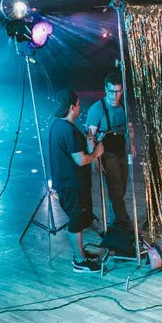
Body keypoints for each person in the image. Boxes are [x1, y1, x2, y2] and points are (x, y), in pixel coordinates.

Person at [47, 90, 105, 273]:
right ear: (72, 107)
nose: (80, 106)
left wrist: (88, 144)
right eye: (78, 103)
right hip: (72, 184)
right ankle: (79, 260)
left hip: (67, 182)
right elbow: (80, 160)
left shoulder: (57, 126)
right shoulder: (68, 130)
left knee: (80, 218)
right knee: (76, 221)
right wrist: (96, 153)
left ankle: (81, 253)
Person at [85, 71, 131, 232]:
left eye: (118, 91)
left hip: (121, 153)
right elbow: (90, 136)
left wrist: (132, 146)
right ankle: (123, 220)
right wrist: (95, 160)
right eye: (111, 91)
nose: (114, 96)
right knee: (115, 188)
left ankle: (115, 219)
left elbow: (128, 128)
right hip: (106, 154)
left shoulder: (124, 105)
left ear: (122, 90)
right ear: (105, 90)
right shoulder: (97, 109)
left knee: (122, 187)